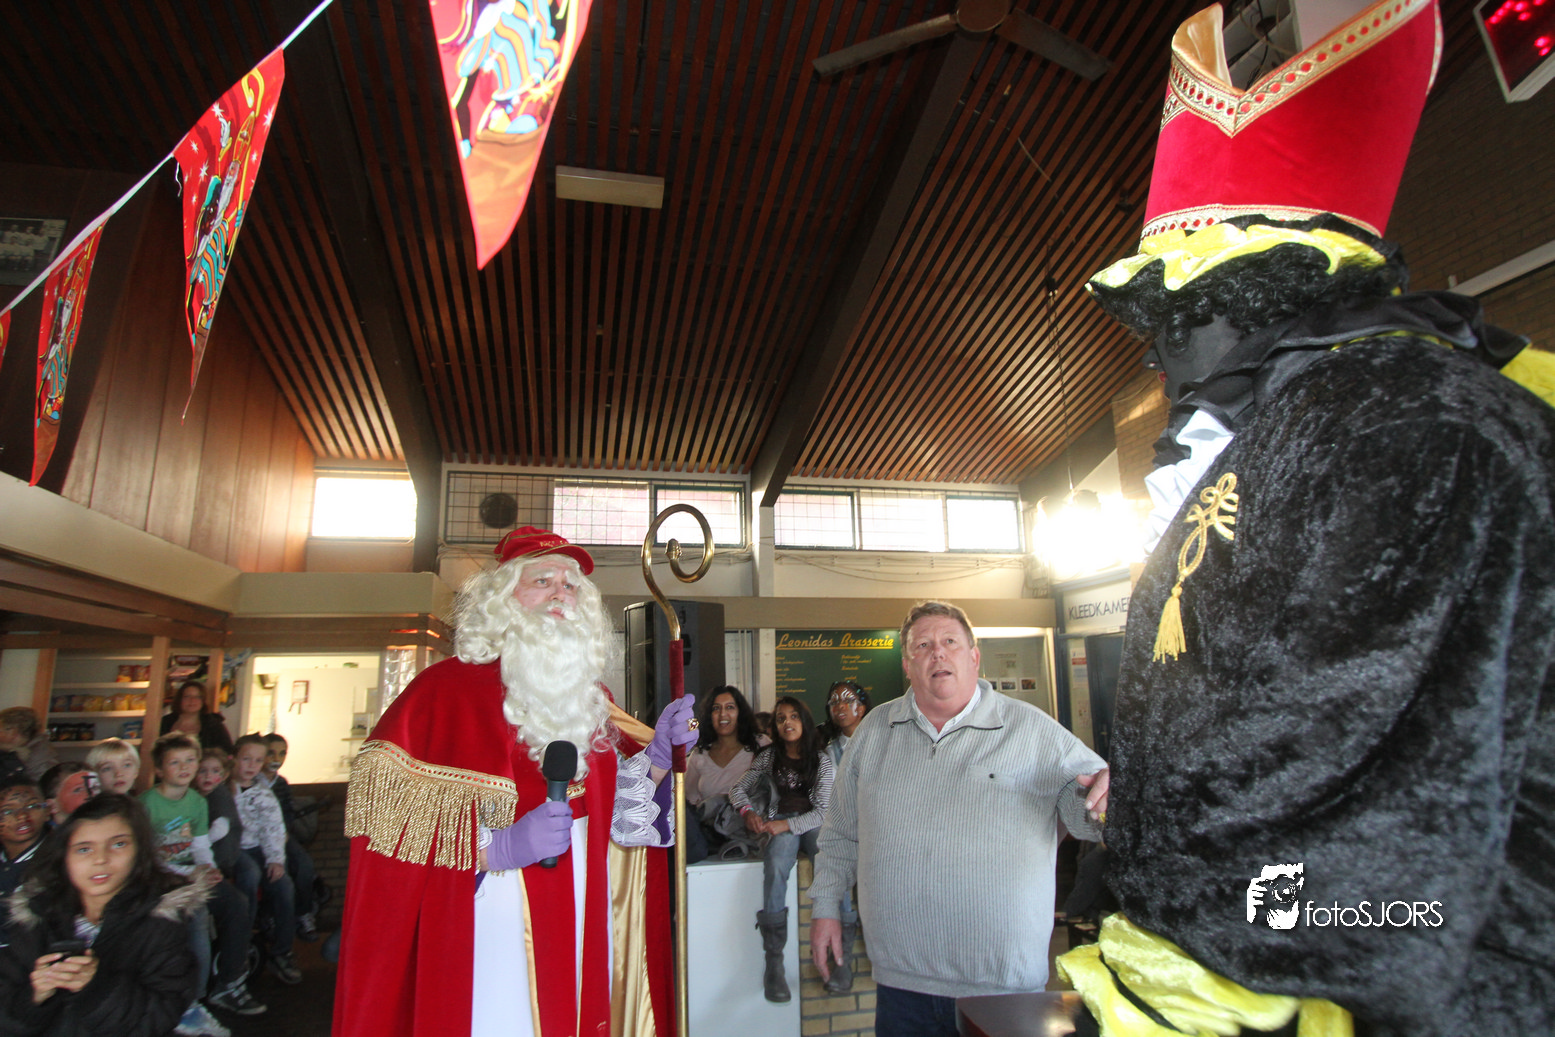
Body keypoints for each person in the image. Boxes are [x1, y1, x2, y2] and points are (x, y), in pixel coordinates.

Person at [1058, 2, 1555, 1035]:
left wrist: (1179, 963)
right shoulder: (1298, 426)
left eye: (1176, 315)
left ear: (1258, 292)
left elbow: (1344, 811)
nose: (1155, 354)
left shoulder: (1402, 425)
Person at [334, 526, 697, 1037]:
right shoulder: (441, 693)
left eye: (570, 586)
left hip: (584, 915)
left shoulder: (593, 699)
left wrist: (657, 759)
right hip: (491, 925)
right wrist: (495, 850)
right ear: (502, 598)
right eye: (543, 580)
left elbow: (619, 819)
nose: (560, 595)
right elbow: (387, 835)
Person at [809, 601, 1108, 1037]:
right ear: (907, 665)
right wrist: (825, 909)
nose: (938, 653)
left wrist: (1107, 796)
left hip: (1003, 987)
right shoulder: (874, 732)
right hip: (900, 983)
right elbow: (839, 834)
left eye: (950, 642)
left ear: (974, 656)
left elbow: (1090, 818)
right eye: (923, 645)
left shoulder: (1033, 730)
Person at [0, 793, 202, 1037]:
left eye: (118, 844)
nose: (100, 859)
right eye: (84, 849)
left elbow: (159, 1017)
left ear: (140, 850)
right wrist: (35, 995)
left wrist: (95, 987)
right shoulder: (37, 915)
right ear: (65, 857)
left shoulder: (161, 923)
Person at [139, 733, 255, 1033]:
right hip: (160, 878)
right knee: (196, 923)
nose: (184, 768)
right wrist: (190, 874)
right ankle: (193, 998)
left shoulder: (197, 802)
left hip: (191, 873)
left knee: (237, 904)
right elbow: (148, 857)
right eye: (175, 762)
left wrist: (209, 869)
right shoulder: (147, 804)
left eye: (190, 760)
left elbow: (200, 844)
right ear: (160, 769)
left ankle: (228, 981)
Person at [728, 696, 834, 1003]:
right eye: (781, 718)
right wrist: (748, 811)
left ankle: (837, 956)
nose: (788, 723)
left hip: (810, 822)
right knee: (775, 864)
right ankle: (773, 963)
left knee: (829, 859)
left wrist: (786, 826)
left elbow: (823, 812)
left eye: (794, 716)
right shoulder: (768, 757)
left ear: (804, 721)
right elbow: (737, 789)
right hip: (779, 820)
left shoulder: (822, 760)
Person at [192, 749, 264, 1017]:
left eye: (214, 771)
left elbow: (215, 832)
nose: (207, 776)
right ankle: (208, 990)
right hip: (196, 867)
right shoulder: (196, 798)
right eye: (202, 770)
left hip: (212, 863)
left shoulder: (217, 796)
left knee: (238, 900)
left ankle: (225, 981)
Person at [230, 734, 300, 985]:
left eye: (258, 761)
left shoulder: (263, 794)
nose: (252, 765)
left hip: (257, 847)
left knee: (284, 886)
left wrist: (275, 859)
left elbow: (274, 829)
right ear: (233, 759)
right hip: (232, 849)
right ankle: (241, 943)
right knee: (249, 876)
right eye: (246, 759)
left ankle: (282, 951)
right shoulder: (223, 788)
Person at [818, 679, 870, 993]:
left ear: (861, 708)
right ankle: (842, 960)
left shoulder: (880, 740)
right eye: (834, 701)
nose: (840, 707)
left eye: (847, 700)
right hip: (844, 828)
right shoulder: (827, 751)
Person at [683, 685, 764, 862]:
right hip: (709, 839)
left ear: (740, 712)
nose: (722, 715)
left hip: (752, 832)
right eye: (716, 708)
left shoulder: (760, 745)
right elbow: (689, 801)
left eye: (730, 707)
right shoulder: (699, 754)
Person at [256, 734, 319, 940]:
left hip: (280, 835)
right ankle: (268, 915)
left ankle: (303, 912)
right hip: (257, 837)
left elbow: (287, 812)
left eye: (282, 753)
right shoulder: (253, 780)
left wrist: (284, 831)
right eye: (271, 753)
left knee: (304, 864)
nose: (277, 759)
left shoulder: (281, 783)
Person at [1, 778, 50, 900]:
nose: (22, 815)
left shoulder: (58, 860)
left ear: (47, 811)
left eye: (32, 806)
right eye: (7, 811)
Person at [159, 682, 234, 755]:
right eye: (187, 696)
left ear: (203, 701)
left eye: (198, 697)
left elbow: (227, 753)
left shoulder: (213, 725)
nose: (192, 700)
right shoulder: (165, 722)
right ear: (179, 699)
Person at [0, 708, 58, 784]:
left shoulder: (39, 758)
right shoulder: (19, 747)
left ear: (13, 732)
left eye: (1, 730)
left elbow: (42, 785)